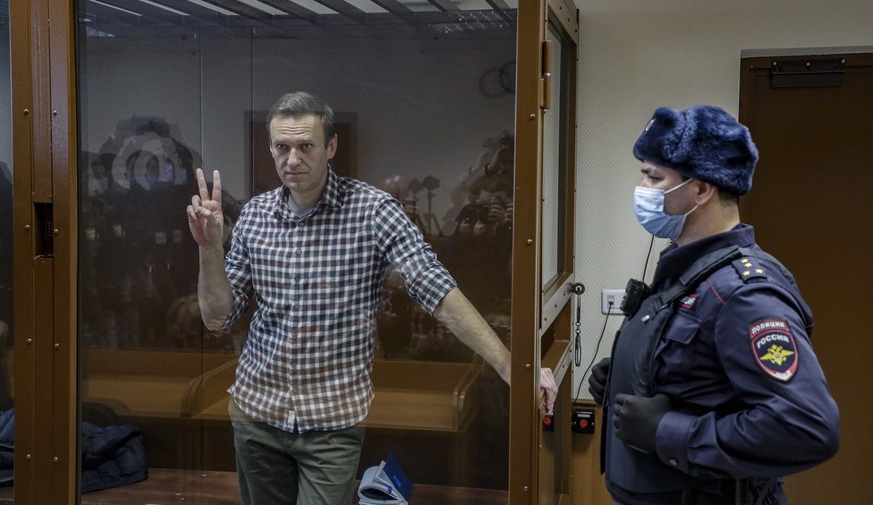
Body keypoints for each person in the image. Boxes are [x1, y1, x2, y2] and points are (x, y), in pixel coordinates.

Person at [187, 91, 557, 505]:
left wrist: (509, 363)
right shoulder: (256, 215)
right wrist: (210, 248)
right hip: (258, 413)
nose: (292, 159)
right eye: (282, 147)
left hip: (331, 421)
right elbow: (217, 316)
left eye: (306, 146)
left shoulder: (372, 210)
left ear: (331, 147)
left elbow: (434, 288)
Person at [588, 105, 839, 504]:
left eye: (654, 177)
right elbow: (697, 376)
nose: (642, 188)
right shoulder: (686, 268)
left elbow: (807, 427)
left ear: (701, 189)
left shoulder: (743, 293)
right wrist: (625, 373)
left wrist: (667, 431)